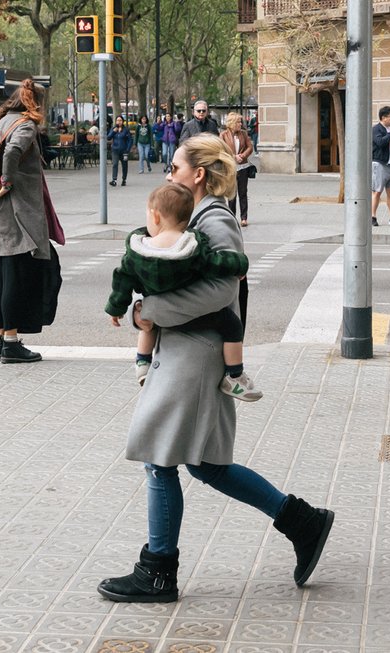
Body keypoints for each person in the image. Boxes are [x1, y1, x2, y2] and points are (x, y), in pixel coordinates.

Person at [96, 134, 334, 603]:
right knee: (206, 464)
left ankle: (159, 571)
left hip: (196, 354)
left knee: (161, 458)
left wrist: (152, 311)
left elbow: (222, 293)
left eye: (175, 168)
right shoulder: (197, 214)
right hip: (188, 351)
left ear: (198, 173)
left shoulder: (215, 218)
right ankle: (302, 521)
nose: (169, 174)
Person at [105, 183, 261, 400]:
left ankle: (142, 361)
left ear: (156, 217)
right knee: (231, 324)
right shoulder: (191, 248)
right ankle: (234, 375)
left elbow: (122, 279)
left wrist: (116, 308)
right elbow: (216, 264)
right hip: (192, 318)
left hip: (157, 319)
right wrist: (240, 264)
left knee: (148, 319)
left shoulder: (138, 250)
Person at [0, 78, 63, 364]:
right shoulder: (25, 125)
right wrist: (6, 180)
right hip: (16, 210)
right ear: (37, 102)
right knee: (16, 276)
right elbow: (12, 151)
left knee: (1, 274)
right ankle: (11, 343)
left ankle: (1, 338)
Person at [221, 112, 255, 228]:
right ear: (232, 123)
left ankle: (244, 218)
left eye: (241, 122)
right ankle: (232, 217)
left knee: (243, 192)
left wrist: (243, 156)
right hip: (230, 167)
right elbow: (220, 150)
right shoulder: (223, 135)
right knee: (232, 194)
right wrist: (233, 156)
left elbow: (250, 147)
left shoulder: (244, 134)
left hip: (243, 167)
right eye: (238, 122)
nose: (241, 124)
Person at [108, 115, 133, 187]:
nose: (119, 122)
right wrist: (113, 132)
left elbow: (130, 140)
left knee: (124, 165)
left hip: (124, 151)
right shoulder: (113, 129)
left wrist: (127, 149)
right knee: (115, 164)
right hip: (115, 150)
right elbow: (109, 137)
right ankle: (114, 180)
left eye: (120, 120)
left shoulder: (126, 130)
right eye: (117, 120)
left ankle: (124, 179)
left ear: (123, 121)